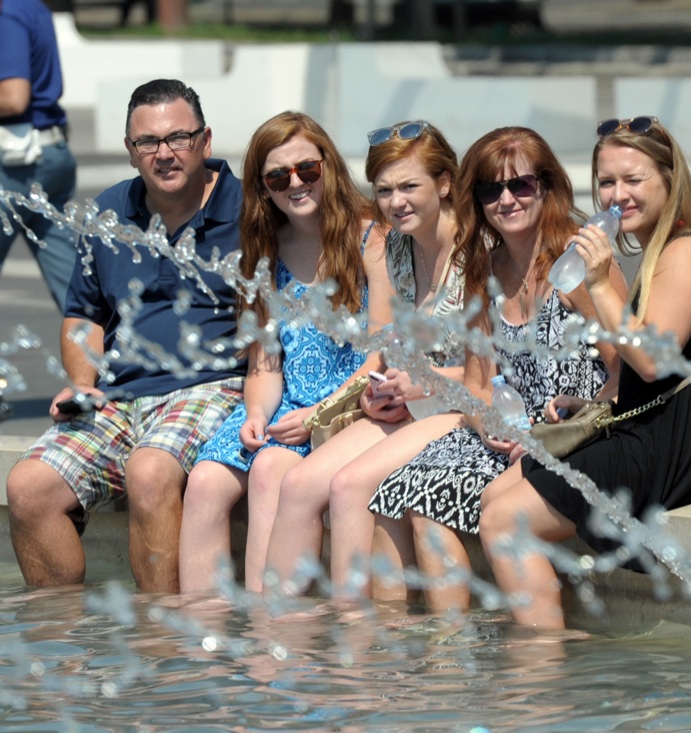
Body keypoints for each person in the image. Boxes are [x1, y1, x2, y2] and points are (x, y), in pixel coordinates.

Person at [479, 116, 691, 628]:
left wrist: (599, 282)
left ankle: (541, 658)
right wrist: (595, 403)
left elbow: (652, 359)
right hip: (649, 426)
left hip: (673, 446)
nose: (618, 195)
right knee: (495, 494)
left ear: (670, 180)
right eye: (606, 182)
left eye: (634, 179)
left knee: (503, 521)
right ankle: (553, 626)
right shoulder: (662, 249)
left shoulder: (688, 251)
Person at [353, 126, 626, 611]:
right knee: (396, 490)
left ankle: (470, 642)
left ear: (546, 187)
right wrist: (490, 424)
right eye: (490, 190)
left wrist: (568, 420)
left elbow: (624, 370)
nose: (506, 200)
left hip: (572, 431)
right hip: (508, 431)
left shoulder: (576, 264)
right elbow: (478, 385)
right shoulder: (484, 269)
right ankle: (424, 642)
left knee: (430, 497)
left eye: (520, 185)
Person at [5, 79, 245, 592]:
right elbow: (83, 315)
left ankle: (160, 633)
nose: (164, 153)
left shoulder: (249, 210)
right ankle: (63, 633)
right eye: (148, 142)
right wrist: (81, 382)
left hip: (212, 387)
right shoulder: (108, 212)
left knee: (149, 472)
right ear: (130, 151)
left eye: (178, 137)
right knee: (28, 487)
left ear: (205, 140)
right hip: (117, 397)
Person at [178, 112, 393, 593]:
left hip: (348, 404)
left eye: (307, 169)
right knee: (205, 482)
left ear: (328, 166)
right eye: (278, 177)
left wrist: (319, 414)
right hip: (285, 407)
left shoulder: (370, 238)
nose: (295, 183)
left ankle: (269, 621)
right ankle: (200, 626)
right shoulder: (265, 251)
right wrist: (256, 413)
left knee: (270, 469)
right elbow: (264, 363)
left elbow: (381, 354)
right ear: (263, 188)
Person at [262, 120, 468, 595]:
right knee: (298, 486)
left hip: (469, 406)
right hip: (416, 405)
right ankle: (275, 629)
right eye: (385, 190)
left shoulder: (477, 248)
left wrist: (430, 381)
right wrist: (375, 393)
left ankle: (353, 628)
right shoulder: (395, 246)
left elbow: (505, 368)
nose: (396, 202)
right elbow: (388, 348)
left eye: (409, 187)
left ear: (444, 183)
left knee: (348, 486)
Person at [0, 0, 79, 310]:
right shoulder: (32, 7)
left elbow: (14, 98)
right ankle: (108, 339)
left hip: (17, 162)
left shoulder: (7, 13)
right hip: (51, 153)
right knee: (78, 295)